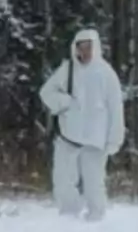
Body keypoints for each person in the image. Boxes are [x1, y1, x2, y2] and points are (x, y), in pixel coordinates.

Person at [37, 28, 125, 221]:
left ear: (96, 48)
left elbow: (116, 109)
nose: (84, 52)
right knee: (63, 180)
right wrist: (65, 102)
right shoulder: (67, 70)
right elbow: (46, 93)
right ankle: (69, 217)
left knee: (94, 183)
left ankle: (97, 218)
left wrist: (114, 139)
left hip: (95, 141)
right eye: (80, 48)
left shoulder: (106, 74)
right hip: (68, 137)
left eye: (88, 47)